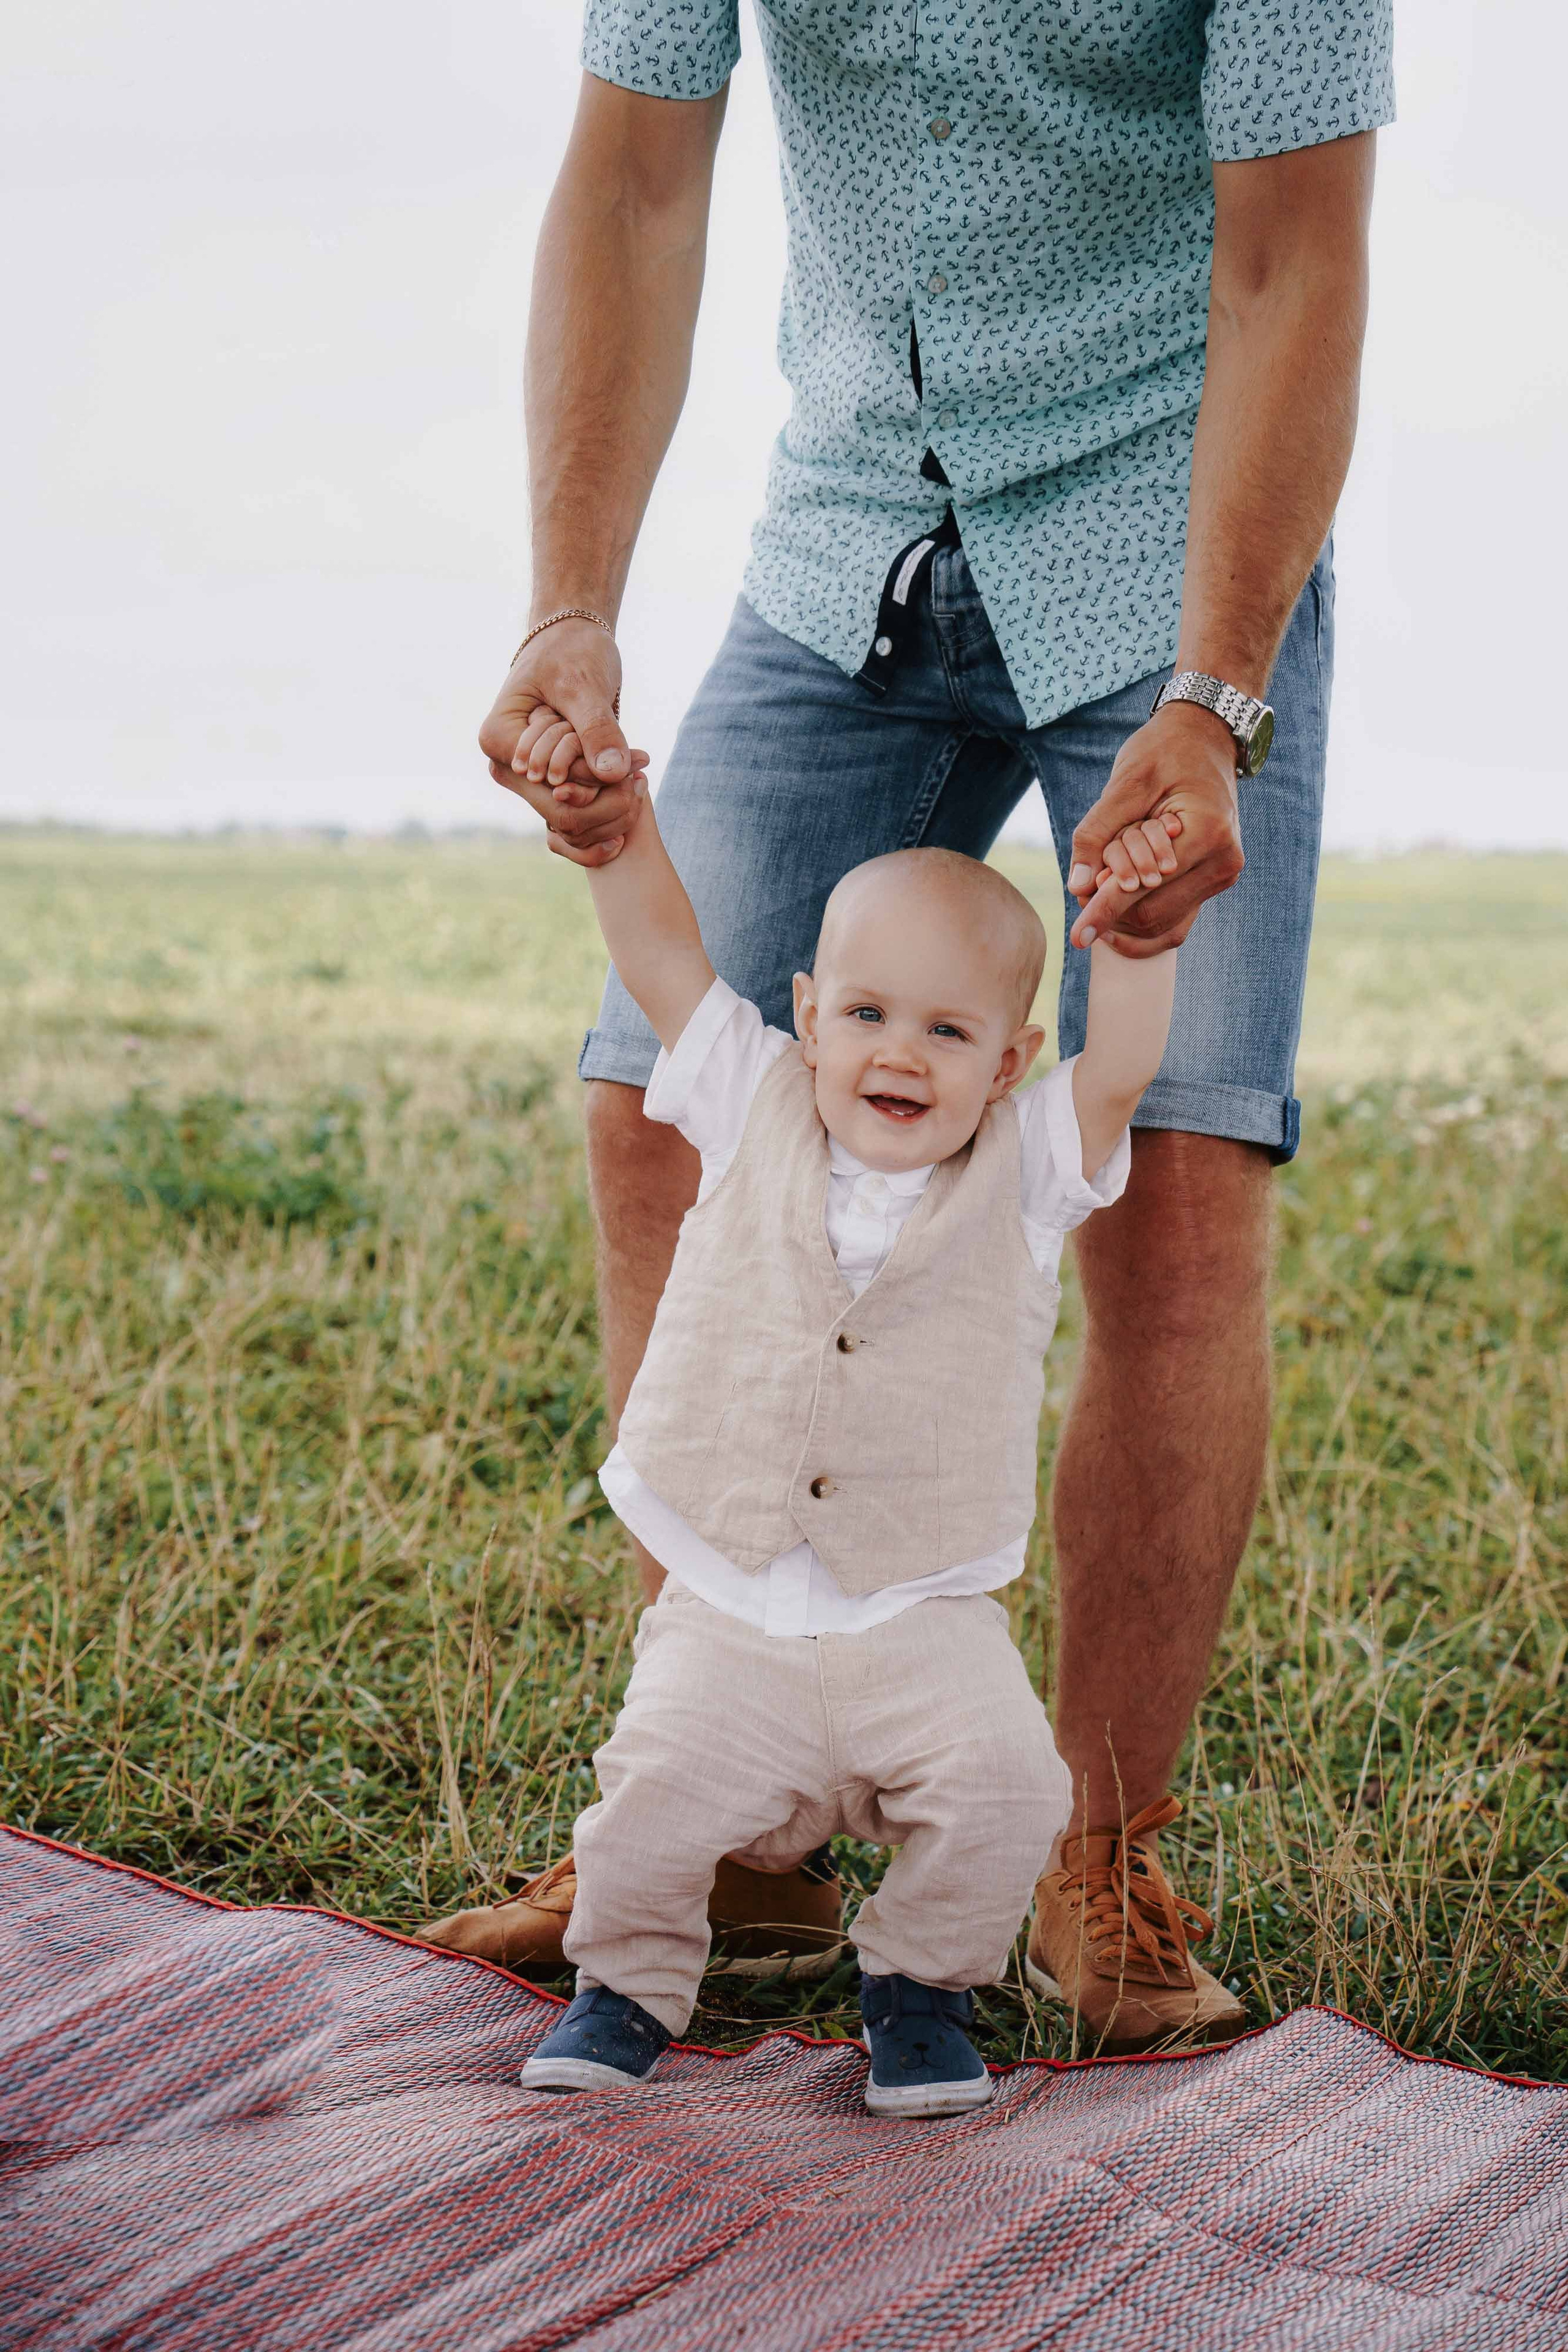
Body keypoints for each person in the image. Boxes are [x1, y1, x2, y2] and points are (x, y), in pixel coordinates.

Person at [424, 0, 1394, 2048]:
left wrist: (1217, 696)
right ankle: (745, 1846)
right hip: (849, 518)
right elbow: (637, 168)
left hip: (1168, 537)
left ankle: (1091, 1860)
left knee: (1182, 1182)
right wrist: (565, 600)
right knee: (657, 1112)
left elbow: (1295, 251)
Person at [514, 796, 1179, 2108]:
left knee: (1005, 1790)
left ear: (1005, 1062)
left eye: (947, 1030)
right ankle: (628, 1988)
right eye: (868, 1014)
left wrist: (1144, 935)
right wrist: (615, 837)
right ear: (809, 1016)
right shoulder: (747, 1091)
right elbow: (657, 952)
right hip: (731, 1600)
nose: (900, 1053)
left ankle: (920, 1989)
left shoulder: (1031, 1166)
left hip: (921, 1610)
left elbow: (1118, 1070)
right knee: (647, 1796)